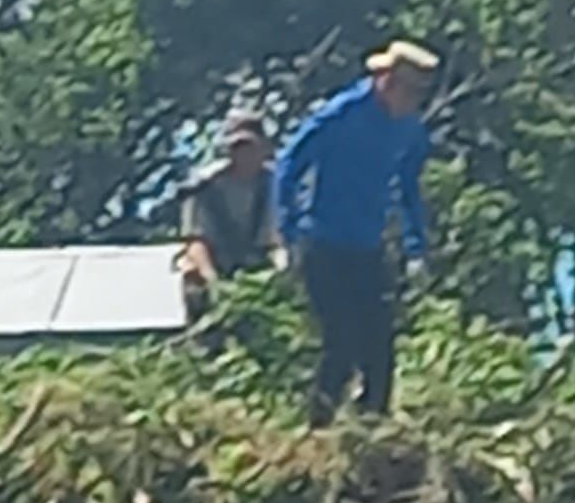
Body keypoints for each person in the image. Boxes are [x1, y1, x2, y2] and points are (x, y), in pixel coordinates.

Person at [275, 39, 440, 420]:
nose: (414, 100)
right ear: (386, 81)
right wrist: (286, 232)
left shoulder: (409, 129)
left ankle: (373, 427)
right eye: (409, 90)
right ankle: (318, 429)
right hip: (323, 243)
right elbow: (288, 164)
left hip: (367, 246)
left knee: (380, 344)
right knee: (341, 341)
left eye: (420, 93)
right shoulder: (341, 115)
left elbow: (408, 186)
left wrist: (416, 249)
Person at [179, 110, 280, 319]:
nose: (244, 155)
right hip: (217, 266)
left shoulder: (277, 186)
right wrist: (212, 279)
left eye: (250, 148)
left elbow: (281, 240)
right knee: (192, 280)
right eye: (238, 148)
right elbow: (196, 241)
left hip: (261, 269)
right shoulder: (205, 188)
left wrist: (279, 271)